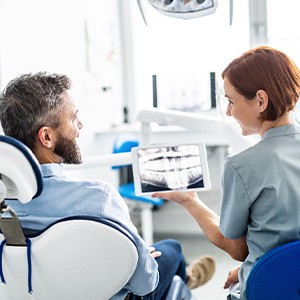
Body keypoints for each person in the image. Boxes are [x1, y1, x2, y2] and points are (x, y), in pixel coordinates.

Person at [0, 72, 216, 300]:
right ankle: (186, 276)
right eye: (73, 118)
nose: (80, 125)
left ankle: (185, 275)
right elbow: (145, 283)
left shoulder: (4, 205)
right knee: (171, 250)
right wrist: (144, 259)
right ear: (46, 137)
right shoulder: (99, 199)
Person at [152, 45, 300, 299]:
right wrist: (247, 268)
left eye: (231, 101)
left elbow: (236, 249)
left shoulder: (241, 166)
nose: (229, 112)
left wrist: (190, 201)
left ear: (261, 101)